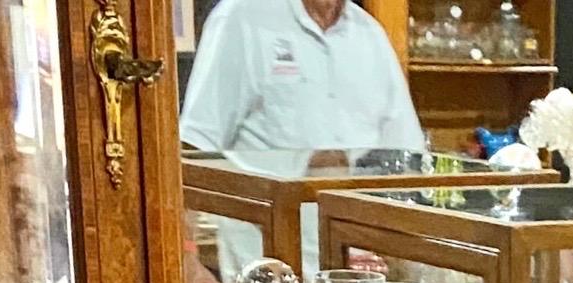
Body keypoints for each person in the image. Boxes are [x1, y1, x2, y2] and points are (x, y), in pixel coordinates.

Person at [181, 0, 426, 171]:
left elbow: (406, 151)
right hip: (268, 239)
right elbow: (198, 143)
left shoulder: (370, 33)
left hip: (355, 240)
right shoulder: (242, 17)